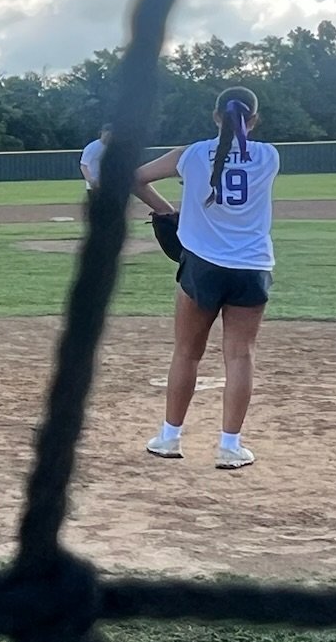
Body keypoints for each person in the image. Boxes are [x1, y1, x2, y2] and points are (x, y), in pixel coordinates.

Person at [132, 87, 278, 469]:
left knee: (186, 352)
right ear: (254, 120)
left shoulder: (190, 154)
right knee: (240, 354)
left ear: (215, 117)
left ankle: (169, 438)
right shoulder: (269, 156)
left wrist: (167, 211)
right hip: (252, 266)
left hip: (202, 265)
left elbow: (133, 178)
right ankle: (230, 447)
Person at [79, 127, 112, 222]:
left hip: (108, 183)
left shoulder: (113, 148)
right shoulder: (92, 147)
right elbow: (83, 165)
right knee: (96, 210)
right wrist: (90, 180)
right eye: (107, 133)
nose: (108, 136)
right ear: (102, 132)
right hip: (94, 183)